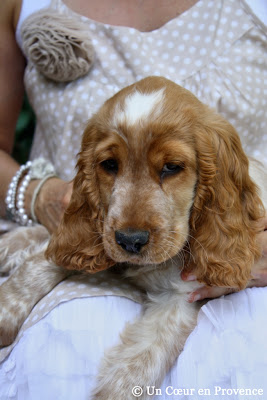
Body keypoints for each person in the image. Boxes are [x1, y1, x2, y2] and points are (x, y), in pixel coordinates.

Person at [0, 0, 266, 398]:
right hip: (66, 248)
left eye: (171, 167)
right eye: (109, 164)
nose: (134, 221)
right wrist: (39, 195)